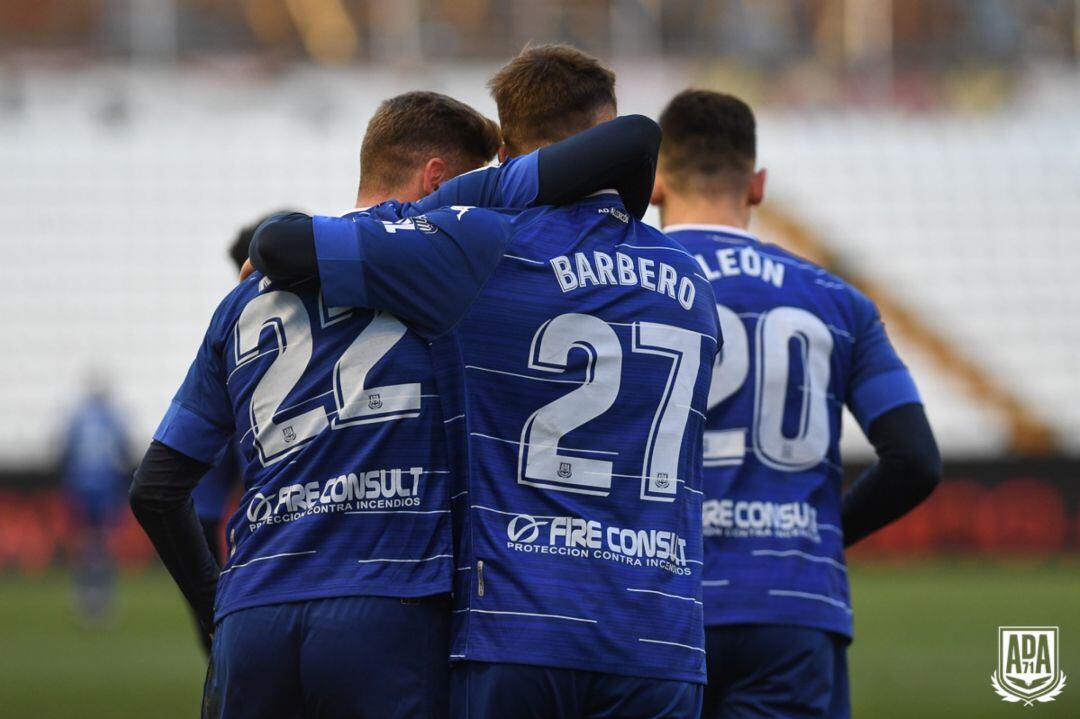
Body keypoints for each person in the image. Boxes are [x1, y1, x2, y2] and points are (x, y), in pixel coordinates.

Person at [132, 89, 666, 719]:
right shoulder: (462, 257)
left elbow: (156, 489)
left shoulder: (243, 301)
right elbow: (627, 142)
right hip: (392, 604)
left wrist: (216, 605)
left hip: (253, 613)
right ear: (439, 178)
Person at [251, 45, 720, 719]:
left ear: (507, 149)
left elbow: (280, 244)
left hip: (519, 625)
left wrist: (464, 194)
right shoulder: (689, 280)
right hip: (660, 633)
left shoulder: (477, 247)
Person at [650, 89, 942, 719]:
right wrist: (826, 534)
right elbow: (915, 459)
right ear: (756, 185)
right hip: (793, 603)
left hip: (656, 601)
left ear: (654, 185)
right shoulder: (837, 300)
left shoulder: (627, 290)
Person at [59, 373, 132, 623]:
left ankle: (84, 595)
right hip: (105, 486)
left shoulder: (78, 418)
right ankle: (103, 596)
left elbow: (65, 453)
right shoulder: (112, 418)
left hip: (81, 485)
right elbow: (124, 452)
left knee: (84, 541)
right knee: (103, 541)